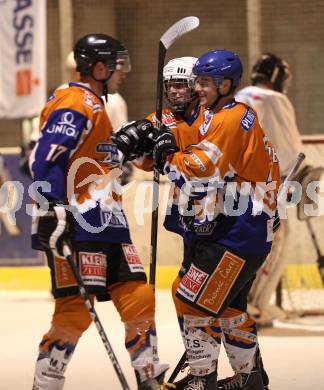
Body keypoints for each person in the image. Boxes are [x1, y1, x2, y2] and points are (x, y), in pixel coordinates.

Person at [29, 33, 173, 390]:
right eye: (116, 65)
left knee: (138, 295)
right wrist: (53, 211)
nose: (122, 72)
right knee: (74, 310)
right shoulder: (75, 102)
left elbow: (101, 159)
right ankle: (46, 383)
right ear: (98, 68)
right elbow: (45, 158)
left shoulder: (97, 105)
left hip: (108, 223)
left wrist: (138, 146)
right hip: (75, 224)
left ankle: (149, 374)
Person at [150, 49, 280, 389]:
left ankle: (202, 378)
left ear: (225, 84)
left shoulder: (228, 120)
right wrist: (167, 137)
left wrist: (165, 155)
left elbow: (200, 170)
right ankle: (249, 378)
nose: (198, 88)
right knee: (227, 309)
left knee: (189, 298)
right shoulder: (229, 113)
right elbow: (198, 141)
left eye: (205, 83)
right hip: (245, 230)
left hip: (237, 234)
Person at [235, 53, 304, 324]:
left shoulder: (238, 97)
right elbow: (290, 151)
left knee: (243, 245)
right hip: (266, 188)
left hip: (234, 188)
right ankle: (253, 304)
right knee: (275, 244)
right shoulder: (275, 100)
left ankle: (244, 301)